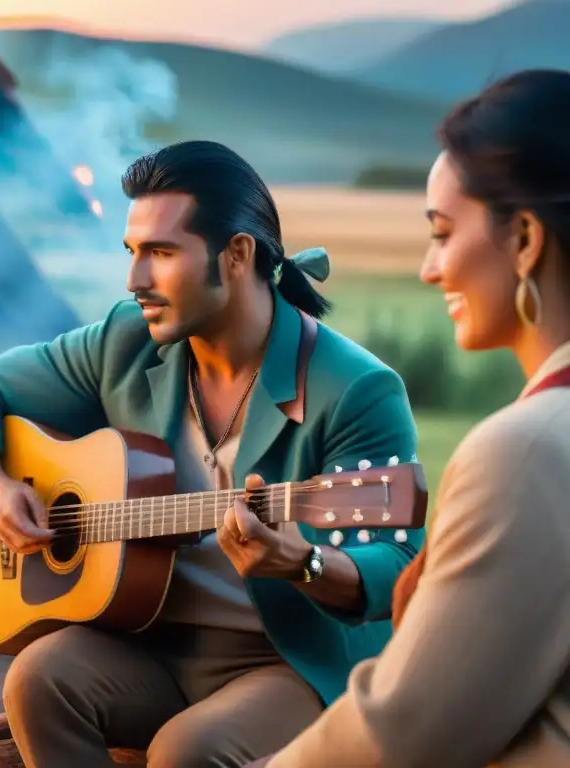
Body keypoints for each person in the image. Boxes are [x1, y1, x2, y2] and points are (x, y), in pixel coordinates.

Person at [0, 140, 424, 767]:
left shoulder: (354, 387)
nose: (135, 279)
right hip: (149, 639)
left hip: (287, 659)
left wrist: (302, 563)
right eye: (133, 252)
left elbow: (396, 558)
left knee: (186, 751)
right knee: (38, 679)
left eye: (161, 253)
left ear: (237, 255)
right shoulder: (125, 340)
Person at [260, 69, 570, 768]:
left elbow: (404, 734)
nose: (431, 269)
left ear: (524, 239)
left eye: (441, 232)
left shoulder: (526, 451)